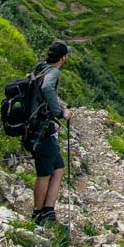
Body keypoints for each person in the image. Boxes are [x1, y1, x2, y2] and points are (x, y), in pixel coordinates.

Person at [26, 40, 71, 225]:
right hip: (40, 130)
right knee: (44, 172)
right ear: (63, 58)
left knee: (58, 168)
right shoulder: (53, 72)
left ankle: (48, 209)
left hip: (37, 127)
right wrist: (60, 112)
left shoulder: (40, 68)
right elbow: (46, 88)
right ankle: (38, 214)